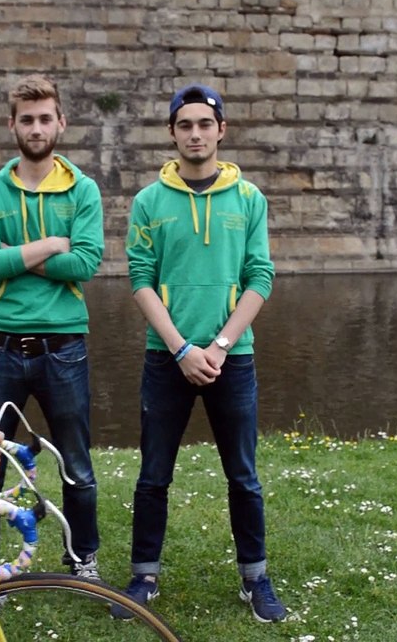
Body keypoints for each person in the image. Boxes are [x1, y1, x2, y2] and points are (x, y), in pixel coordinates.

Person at [115, 84, 287, 623]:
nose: (195, 134)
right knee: (153, 476)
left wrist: (219, 345)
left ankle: (255, 579)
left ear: (221, 130)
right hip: (166, 357)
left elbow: (260, 276)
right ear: (172, 133)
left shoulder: (249, 199)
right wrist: (182, 347)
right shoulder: (149, 202)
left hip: (232, 358)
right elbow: (140, 279)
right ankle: (143, 577)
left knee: (243, 476)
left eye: (205, 124)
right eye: (185, 125)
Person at [0, 75, 105, 578]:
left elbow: (85, 263)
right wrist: (48, 246)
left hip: (63, 347)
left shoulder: (83, 190)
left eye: (46, 118)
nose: (37, 128)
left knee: (75, 463)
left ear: (61, 123)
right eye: (27, 120)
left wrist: (13, 256)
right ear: (12, 125)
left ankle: (82, 558)